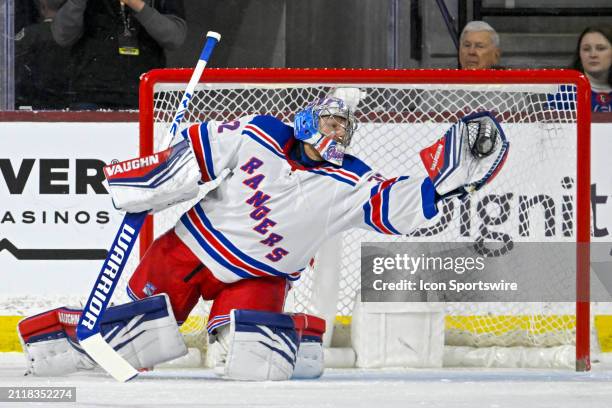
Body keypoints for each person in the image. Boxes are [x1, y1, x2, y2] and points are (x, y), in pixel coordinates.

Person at [18, 95, 508, 380]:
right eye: (330, 122)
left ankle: (300, 338)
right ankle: (58, 334)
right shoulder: (259, 132)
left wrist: (442, 184)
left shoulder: (353, 181)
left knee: (255, 363)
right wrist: (142, 185)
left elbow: (397, 205)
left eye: (345, 127)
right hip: (189, 252)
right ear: (308, 119)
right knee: (140, 338)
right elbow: (190, 162)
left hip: (260, 277)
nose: (337, 133)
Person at [51, 0, 187, 110]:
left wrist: (138, 5)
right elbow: (62, 35)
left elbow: (175, 37)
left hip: (144, 94)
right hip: (90, 94)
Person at [14, 0, 71, 109]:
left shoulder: (30, 34)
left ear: (43, 7)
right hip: (69, 100)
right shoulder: (76, 36)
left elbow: (11, 63)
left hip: (34, 100)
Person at [572, 25, 612, 112]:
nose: (593, 55)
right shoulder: (564, 94)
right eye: (586, 49)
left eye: (601, 48)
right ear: (579, 54)